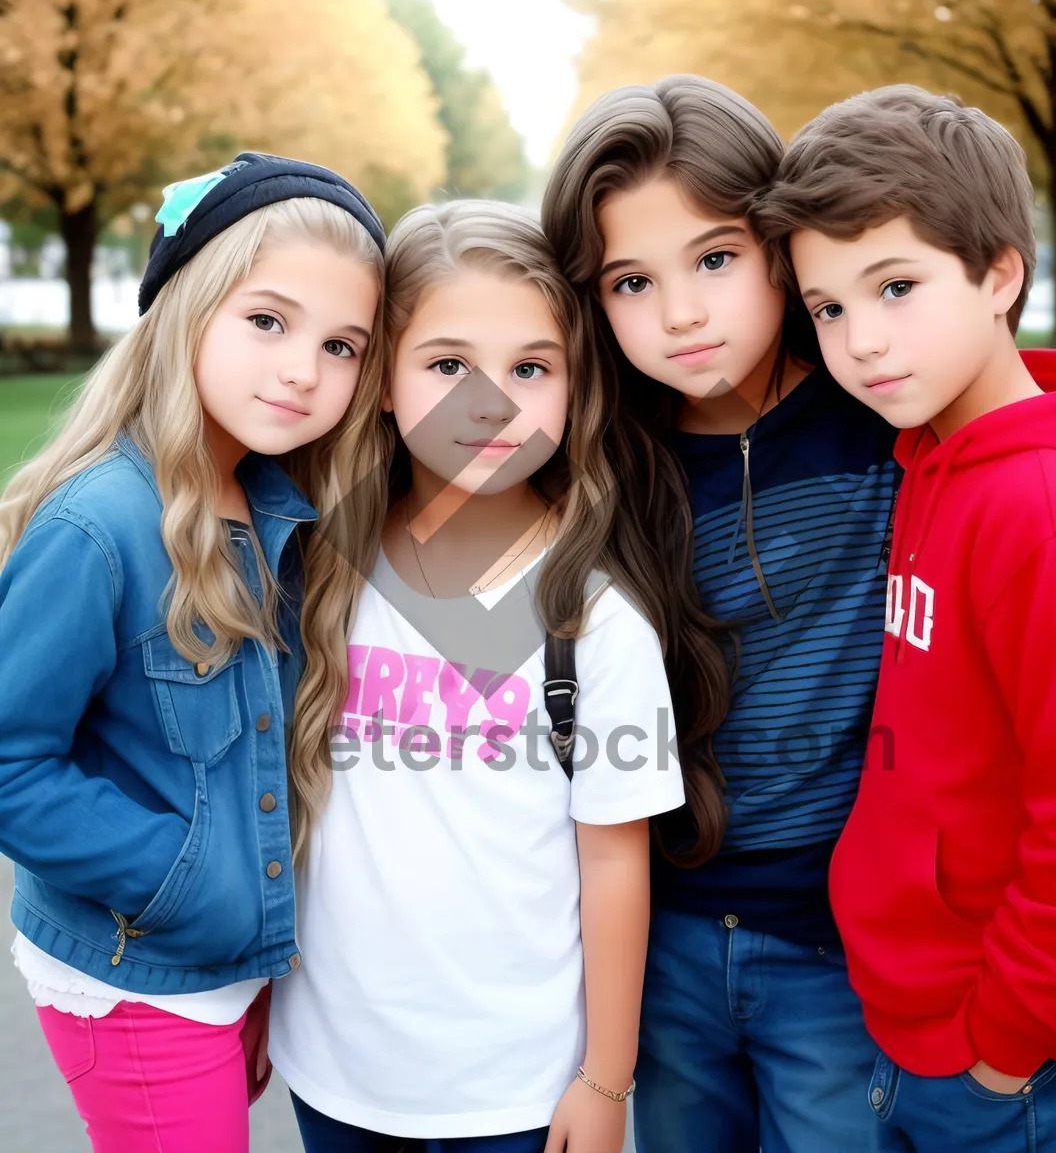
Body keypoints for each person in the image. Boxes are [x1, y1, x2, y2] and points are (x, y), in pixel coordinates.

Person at [756, 83, 1056, 1152]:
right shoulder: (934, 463)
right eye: (829, 308)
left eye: (896, 286)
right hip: (917, 1017)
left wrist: (1003, 1044)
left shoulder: (1044, 512)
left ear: (1001, 273)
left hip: (1013, 1054)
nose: (860, 341)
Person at [269, 200, 705, 1153]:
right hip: (337, 1068)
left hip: (520, 1090)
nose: (492, 404)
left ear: (573, 389)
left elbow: (613, 857)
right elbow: (291, 810)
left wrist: (607, 1076)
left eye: (530, 370)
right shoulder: (319, 571)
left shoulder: (594, 619)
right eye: (448, 365)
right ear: (383, 381)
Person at [0, 152, 390, 1153]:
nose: (304, 368)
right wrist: (186, 878)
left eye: (343, 345)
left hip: (232, 966)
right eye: (267, 321)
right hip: (132, 979)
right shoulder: (100, 527)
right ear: (185, 309)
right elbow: (9, 759)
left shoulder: (278, 512)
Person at [542, 75, 899, 1153]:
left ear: (779, 249)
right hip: (665, 940)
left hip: (841, 950)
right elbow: (419, 424)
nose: (682, 314)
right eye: (631, 282)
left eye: (715, 259)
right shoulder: (592, 452)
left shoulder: (879, 413)